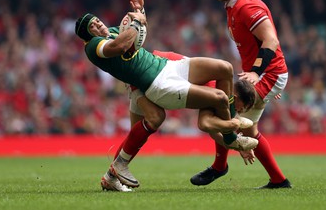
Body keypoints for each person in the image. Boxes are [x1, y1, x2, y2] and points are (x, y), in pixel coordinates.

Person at [74, 0, 258, 188]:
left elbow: (137, 36)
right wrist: (137, 21)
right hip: (157, 81)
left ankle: (113, 175)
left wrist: (140, 11)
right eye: (92, 26)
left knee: (225, 67)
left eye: (97, 20)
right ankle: (231, 138)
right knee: (214, 99)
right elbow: (122, 45)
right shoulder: (94, 46)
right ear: (88, 35)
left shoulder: (112, 32)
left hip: (166, 65)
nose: (98, 24)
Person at [190, 0, 292, 189]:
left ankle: (220, 166)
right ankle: (278, 180)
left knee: (222, 106)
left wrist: (258, 74)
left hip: (268, 73)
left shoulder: (246, 6)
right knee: (248, 128)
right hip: (266, 75)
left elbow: (271, 40)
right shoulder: (232, 5)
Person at [101, 49, 257, 192]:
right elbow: (206, 125)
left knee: (137, 134)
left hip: (148, 69)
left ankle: (111, 176)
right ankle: (113, 173)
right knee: (150, 123)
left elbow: (212, 128)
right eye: (240, 109)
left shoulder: (217, 83)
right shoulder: (215, 90)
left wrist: (235, 142)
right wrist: (235, 138)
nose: (237, 112)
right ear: (235, 97)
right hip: (152, 73)